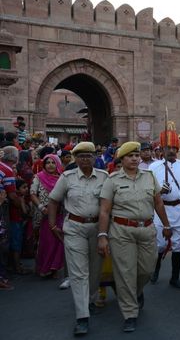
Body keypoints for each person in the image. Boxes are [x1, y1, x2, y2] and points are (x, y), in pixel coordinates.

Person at [97, 141, 172, 332]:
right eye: (130, 156)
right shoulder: (112, 180)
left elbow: (158, 203)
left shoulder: (149, 176)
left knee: (146, 269)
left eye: (137, 155)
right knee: (125, 272)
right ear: (121, 159)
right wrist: (103, 235)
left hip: (146, 229)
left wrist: (166, 224)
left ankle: (135, 291)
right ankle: (130, 313)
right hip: (121, 232)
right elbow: (105, 211)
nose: (135, 158)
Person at [47, 142, 108, 335]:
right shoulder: (67, 177)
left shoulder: (104, 177)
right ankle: (82, 316)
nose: (85, 159)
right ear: (75, 158)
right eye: (80, 156)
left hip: (98, 228)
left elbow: (109, 205)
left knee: (95, 270)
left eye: (88, 155)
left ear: (94, 157)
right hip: (74, 228)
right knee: (78, 273)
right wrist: (52, 225)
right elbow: (53, 200)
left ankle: (89, 299)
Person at [149, 125, 180, 289]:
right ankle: (155, 271)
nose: (171, 151)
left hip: (179, 210)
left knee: (178, 245)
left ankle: (175, 277)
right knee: (160, 244)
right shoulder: (153, 168)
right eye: (168, 148)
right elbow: (148, 191)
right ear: (162, 149)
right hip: (161, 210)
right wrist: (158, 191)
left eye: (174, 148)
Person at [31, 154, 64, 278]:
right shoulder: (38, 177)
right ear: (43, 165)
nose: (50, 165)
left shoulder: (62, 178)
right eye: (47, 162)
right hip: (44, 214)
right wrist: (41, 207)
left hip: (60, 213)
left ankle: (54, 268)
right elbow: (33, 194)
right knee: (47, 241)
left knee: (59, 241)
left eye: (53, 162)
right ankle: (44, 267)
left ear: (57, 164)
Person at [8, 179, 30, 274]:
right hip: (15, 223)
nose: (26, 189)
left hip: (16, 222)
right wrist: (23, 203)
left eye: (27, 187)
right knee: (17, 245)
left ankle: (16, 265)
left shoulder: (18, 197)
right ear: (16, 189)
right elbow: (25, 212)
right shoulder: (18, 198)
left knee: (16, 245)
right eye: (24, 187)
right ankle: (17, 268)